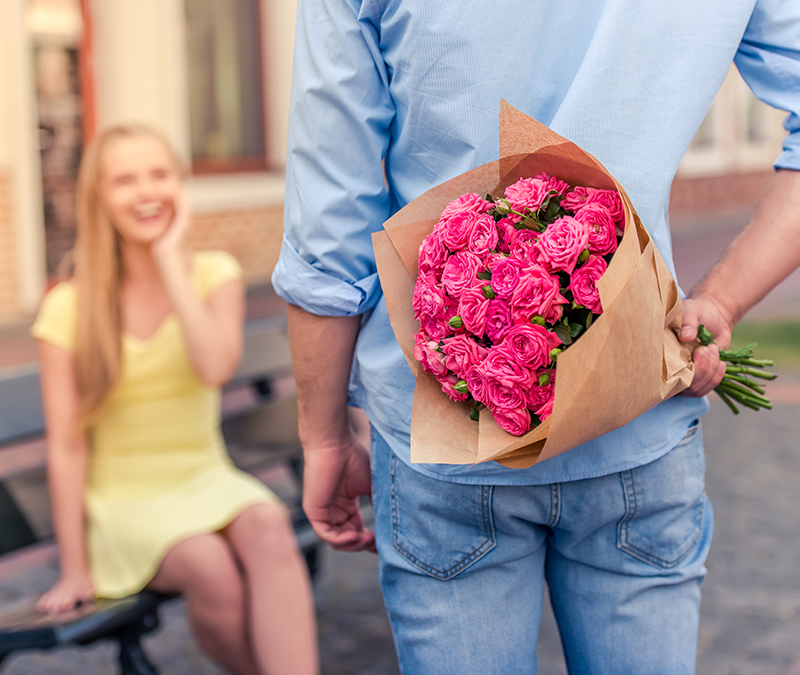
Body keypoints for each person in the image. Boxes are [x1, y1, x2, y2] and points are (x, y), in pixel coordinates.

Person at [273, 1, 800, 673]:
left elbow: (328, 218)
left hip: (445, 423)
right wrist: (719, 300)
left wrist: (322, 434)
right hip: (634, 412)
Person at [32, 126, 319, 675]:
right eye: (124, 180)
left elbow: (214, 367)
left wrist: (168, 259)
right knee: (208, 563)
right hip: (125, 504)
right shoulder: (69, 307)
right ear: (99, 198)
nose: (145, 191)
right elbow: (66, 447)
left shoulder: (213, 275)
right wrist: (73, 567)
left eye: (158, 174)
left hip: (205, 476)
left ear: (180, 185)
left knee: (268, 526)